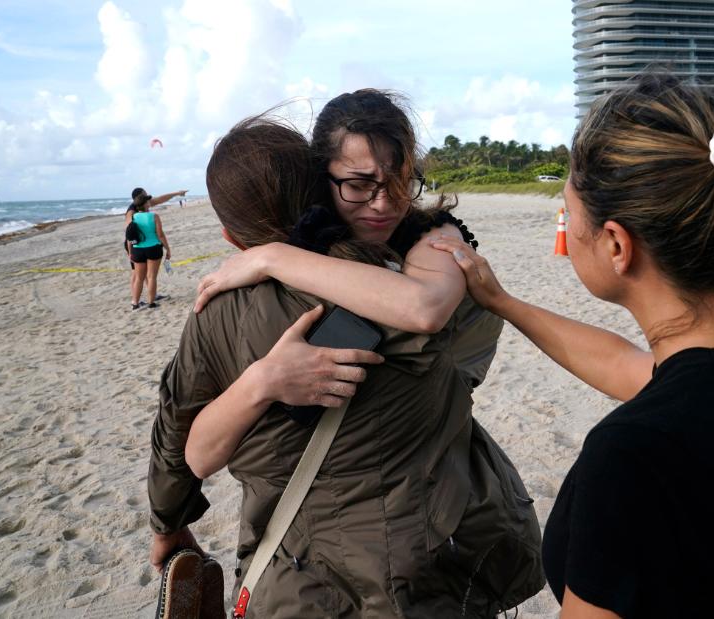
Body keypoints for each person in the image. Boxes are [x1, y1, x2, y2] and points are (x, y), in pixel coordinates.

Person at [429, 71, 714, 617]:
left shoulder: (631, 452)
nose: (569, 232)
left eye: (570, 217)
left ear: (617, 244)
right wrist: (503, 302)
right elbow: (636, 369)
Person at [148, 106, 542, 617]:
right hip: (435, 566)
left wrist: (168, 525)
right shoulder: (422, 269)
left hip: (297, 577)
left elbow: (178, 433)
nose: (382, 202)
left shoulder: (215, 311)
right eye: (359, 185)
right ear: (322, 188)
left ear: (228, 235)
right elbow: (459, 354)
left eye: (397, 183)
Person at [124, 187, 186, 302]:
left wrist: (177, 193)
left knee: (147, 273)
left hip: (144, 243)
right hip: (135, 242)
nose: (149, 198)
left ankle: (151, 296)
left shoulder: (142, 205)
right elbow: (129, 228)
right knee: (137, 275)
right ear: (140, 197)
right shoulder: (132, 210)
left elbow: (161, 199)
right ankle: (135, 301)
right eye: (145, 194)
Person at [127, 193, 172, 309]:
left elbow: (129, 236)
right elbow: (160, 234)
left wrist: (130, 252)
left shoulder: (134, 217)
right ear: (145, 204)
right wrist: (167, 248)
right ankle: (151, 303)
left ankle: (135, 304)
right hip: (153, 248)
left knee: (139, 278)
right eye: (148, 201)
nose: (149, 203)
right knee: (151, 277)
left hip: (138, 250)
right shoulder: (154, 216)